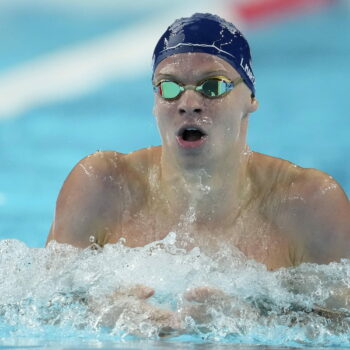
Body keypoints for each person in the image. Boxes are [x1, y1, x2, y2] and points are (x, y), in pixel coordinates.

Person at [45, 13, 350, 332]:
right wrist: (101, 313)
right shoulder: (102, 186)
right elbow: (42, 306)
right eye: (169, 87)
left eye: (212, 86)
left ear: (251, 99)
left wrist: (256, 321)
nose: (188, 102)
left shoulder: (310, 203)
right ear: (154, 101)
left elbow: (343, 326)